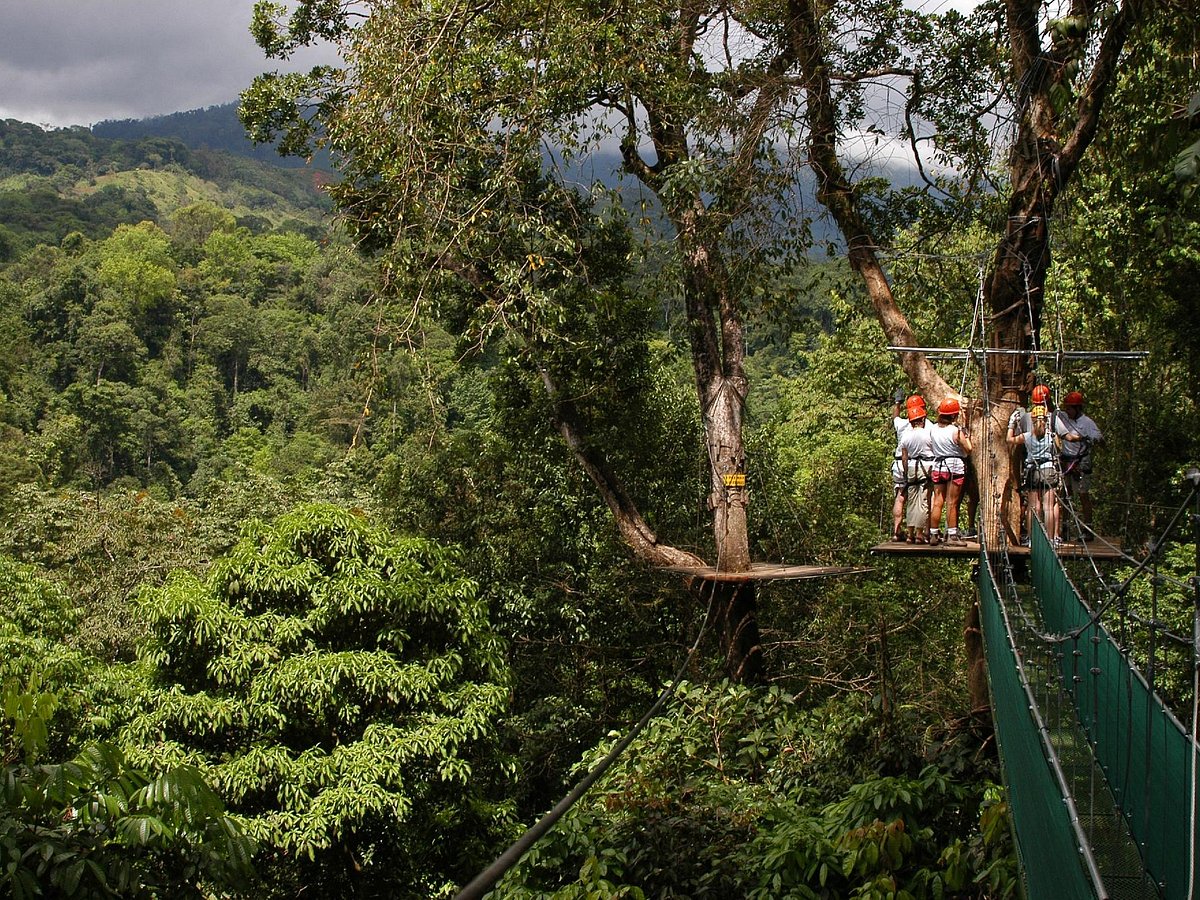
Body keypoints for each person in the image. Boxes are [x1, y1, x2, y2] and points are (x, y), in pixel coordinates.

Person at [1008, 404, 1061, 548]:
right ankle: (1050, 540)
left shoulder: (1026, 436)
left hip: (1032, 472)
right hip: (1048, 470)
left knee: (1034, 507)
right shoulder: (1051, 436)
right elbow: (1059, 449)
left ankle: (1032, 539)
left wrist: (1012, 423)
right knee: (1048, 507)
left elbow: (1009, 439)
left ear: (1032, 419)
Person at [1053, 390, 1103, 535]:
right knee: (1066, 495)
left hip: (1081, 462)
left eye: (1070, 408)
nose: (1067, 411)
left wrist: (1095, 439)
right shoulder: (1062, 417)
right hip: (1067, 461)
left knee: (1083, 495)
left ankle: (1087, 529)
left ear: (1077, 408)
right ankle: (1065, 527)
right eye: (1067, 408)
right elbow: (1051, 411)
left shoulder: (1087, 423)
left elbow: (1099, 437)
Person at [927, 397, 972, 545]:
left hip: (938, 465)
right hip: (954, 465)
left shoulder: (933, 429)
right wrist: (966, 436)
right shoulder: (955, 431)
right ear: (953, 415)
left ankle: (933, 534)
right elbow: (969, 449)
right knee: (952, 502)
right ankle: (952, 536)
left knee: (938, 502)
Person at [889, 391, 923, 540]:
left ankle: (897, 531)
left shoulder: (902, 424)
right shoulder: (925, 425)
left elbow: (895, 416)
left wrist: (898, 403)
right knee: (919, 498)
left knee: (900, 497)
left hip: (898, 463)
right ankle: (919, 532)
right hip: (916, 464)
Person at [898, 396, 933, 542]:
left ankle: (910, 532)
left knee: (912, 500)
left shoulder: (906, 436)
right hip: (926, 467)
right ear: (923, 419)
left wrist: (906, 473)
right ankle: (920, 534)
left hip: (911, 467)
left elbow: (904, 457)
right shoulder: (928, 433)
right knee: (923, 500)